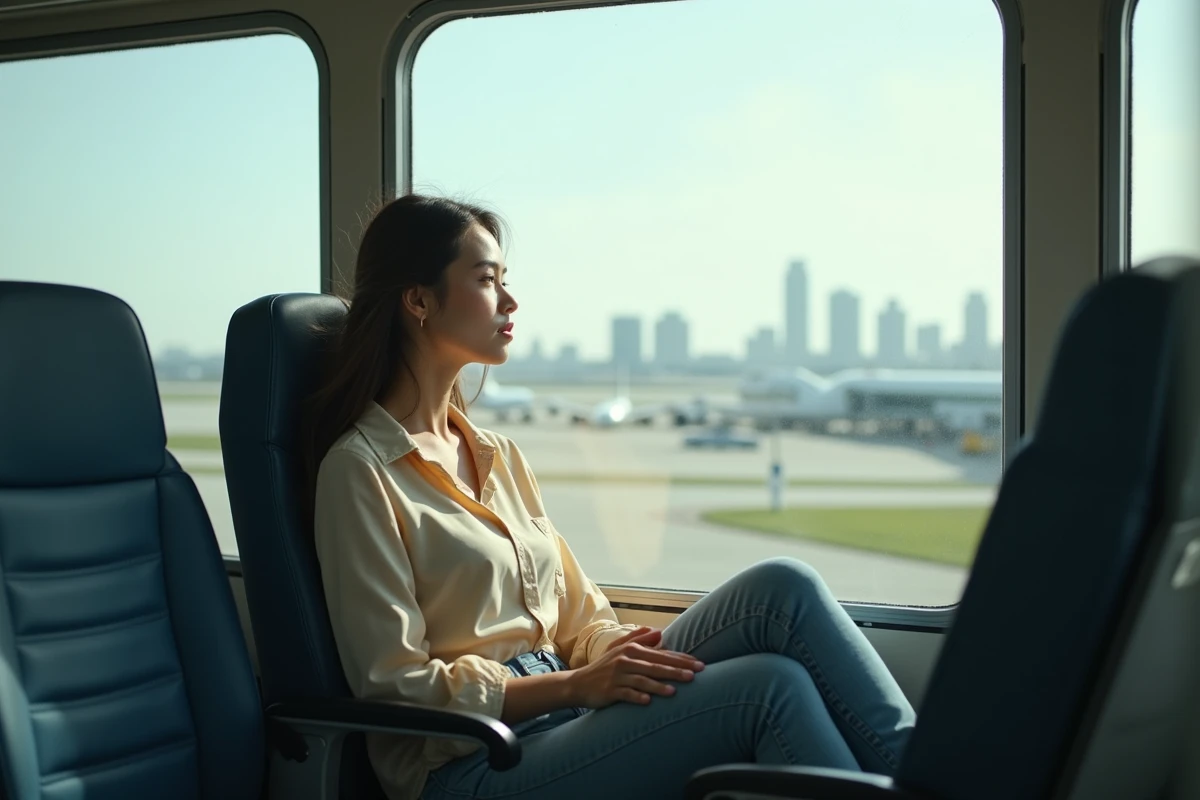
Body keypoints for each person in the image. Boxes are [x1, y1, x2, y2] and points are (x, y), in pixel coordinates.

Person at [305, 194, 915, 800]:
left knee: (783, 588)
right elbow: (395, 685)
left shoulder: (497, 454)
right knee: (768, 688)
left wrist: (611, 653)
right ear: (418, 300)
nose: (511, 302)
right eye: (488, 281)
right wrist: (576, 687)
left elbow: (578, 613)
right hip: (473, 763)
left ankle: (940, 776)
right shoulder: (361, 472)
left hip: (565, 708)